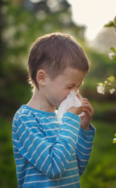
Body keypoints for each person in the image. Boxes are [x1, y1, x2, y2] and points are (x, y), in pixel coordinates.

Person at [12, 33, 96, 188]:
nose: (75, 93)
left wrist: (83, 129)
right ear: (42, 78)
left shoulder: (62, 119)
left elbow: (75, 169)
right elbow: (54, 168)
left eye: (78, 86)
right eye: (70, 86)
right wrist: (71, 119)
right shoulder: (25, 119)